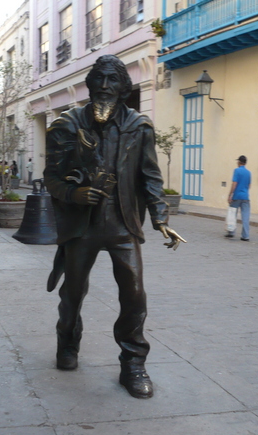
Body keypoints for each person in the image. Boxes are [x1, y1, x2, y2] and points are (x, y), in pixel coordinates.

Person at [44, 55, 186, 399]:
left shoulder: (139, 126)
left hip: (122, 223)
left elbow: (151, 177)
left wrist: (161, 219)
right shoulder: (67, 124)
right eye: (99, 80)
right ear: (89, 84)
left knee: (134, 295)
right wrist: (74, 193)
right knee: (73, 293)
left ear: (124, 89)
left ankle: (133, 364)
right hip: (83, 226)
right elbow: (51, 178)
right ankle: (67, 343)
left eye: (112, 81)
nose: (104, 87)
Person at [226, 155, 251, 241]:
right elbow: (249, 185)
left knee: (232, 214)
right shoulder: (248, 173)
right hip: (245, 197)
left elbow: (234, 184)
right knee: (245, 216)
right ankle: (245, 235)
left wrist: (230, 195)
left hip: (237, 196)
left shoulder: (236, 171)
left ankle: (231, 232)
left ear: (239, 162)